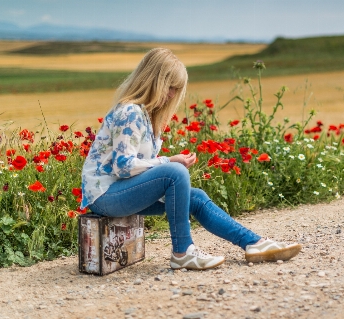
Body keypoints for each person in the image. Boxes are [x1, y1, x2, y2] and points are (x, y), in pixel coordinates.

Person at [80, 48, 301, 270]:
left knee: (195, 197)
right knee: (175, 173)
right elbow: (123, 167)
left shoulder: (145, 116)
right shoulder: (130, 112)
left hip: (123, 191)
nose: (172, 95)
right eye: (171, 87)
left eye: (177, 89)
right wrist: (169, 162)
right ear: (154, 81)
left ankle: (254, 243)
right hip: (105, 196)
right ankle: (182, 252)